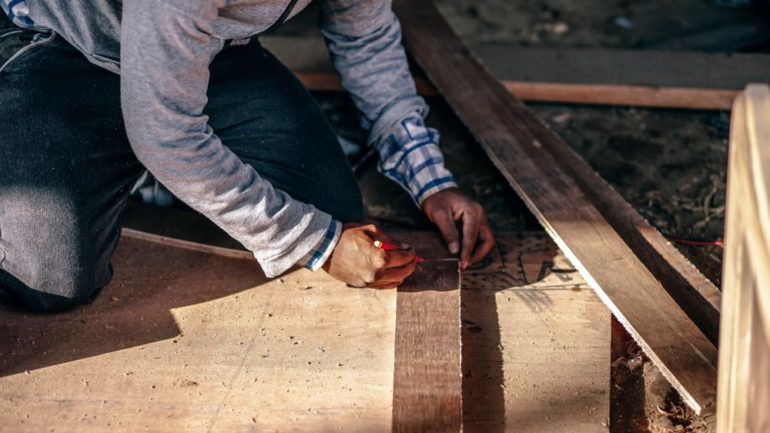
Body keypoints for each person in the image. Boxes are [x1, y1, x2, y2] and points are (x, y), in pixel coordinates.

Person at [0, 0, 495, 312]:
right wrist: (317, 243)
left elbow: (365, 38)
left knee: (333, 210)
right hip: (65, 49)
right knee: (49, 282)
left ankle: (155, 179)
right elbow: (167, 133)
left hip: (207, 54)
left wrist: (431, 180)